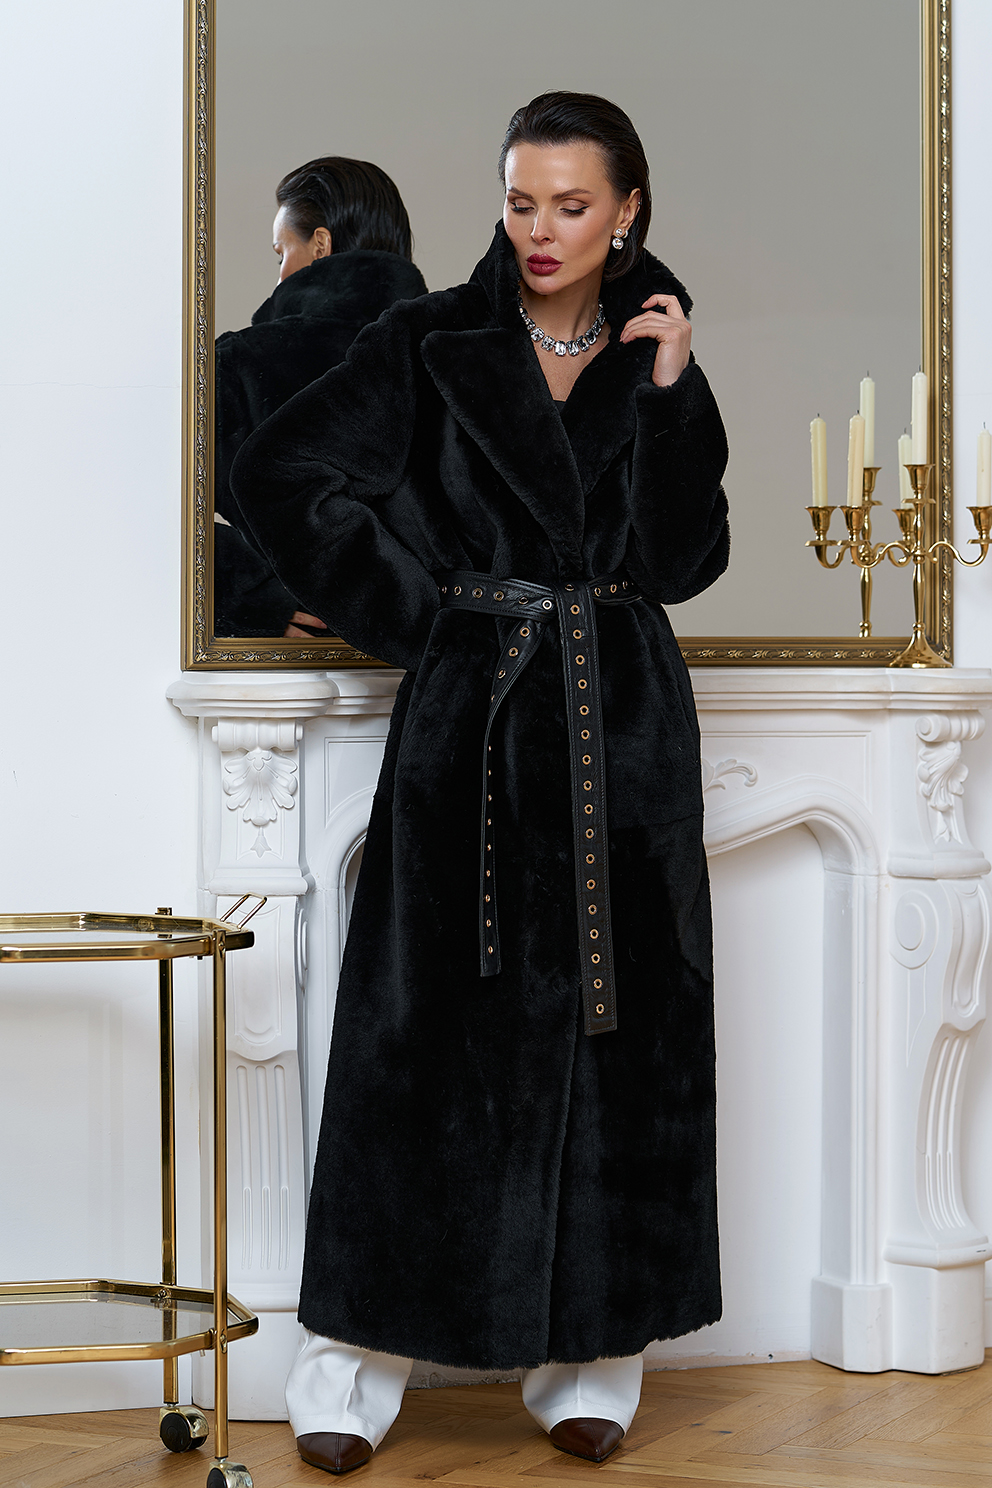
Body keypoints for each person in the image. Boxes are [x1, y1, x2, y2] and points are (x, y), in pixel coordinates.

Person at [232, 92, 729, 1475]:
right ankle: (349, 1363)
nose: (542, 230)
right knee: (418, 1036)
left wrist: (673, 394)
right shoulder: (428, 337)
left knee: (627, 1043)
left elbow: (685, 560)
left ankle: (594, 1355)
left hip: (625, 724)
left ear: (628, 209)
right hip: (477, 716)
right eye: (521, 201)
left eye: (572, 204)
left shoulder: (656, 352)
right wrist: (425, 612)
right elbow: (281, 471)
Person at [214, 157, 427, 637]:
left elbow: (144, 504)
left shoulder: (239, 363)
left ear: (321, 245)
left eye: (280, 253)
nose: (279, 274)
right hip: (432, 654)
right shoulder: (456, 356)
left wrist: (248, 592)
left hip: (292, 659)